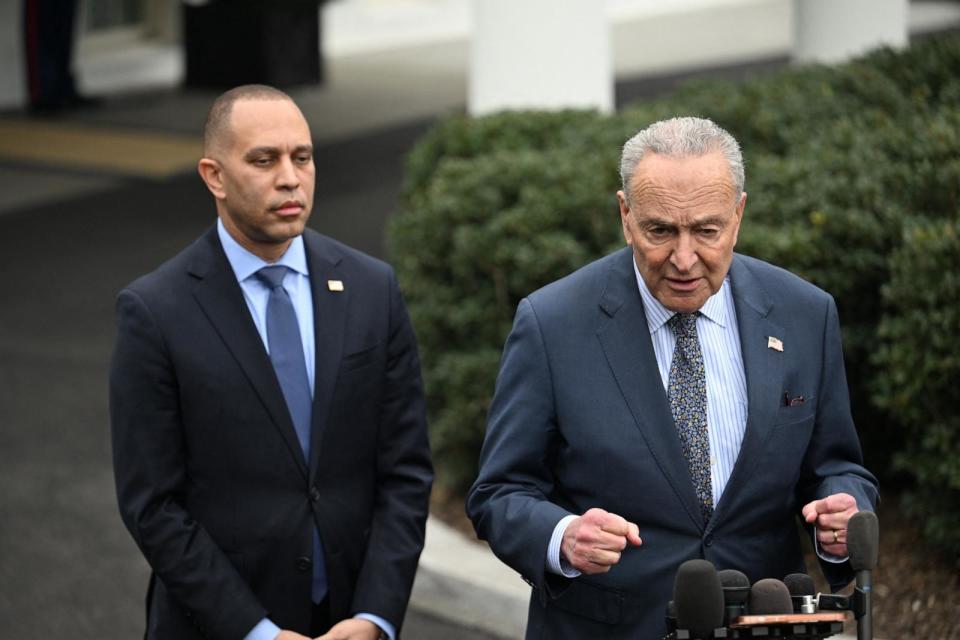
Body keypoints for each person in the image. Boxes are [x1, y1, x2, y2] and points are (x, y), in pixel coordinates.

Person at [466, 116, 879, 639]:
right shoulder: (552, 324)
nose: (684, 259)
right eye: (660, 230)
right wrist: (563, 535)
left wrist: (843, 513)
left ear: (738, 215)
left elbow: (837, 467)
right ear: (625, 215)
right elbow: (499, 491)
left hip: (760, 621)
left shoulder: (804, 314)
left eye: (706, 230)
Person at [110, 84, 432, 640]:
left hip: (348, 623)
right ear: (213, 175)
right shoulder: (155, 311)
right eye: (264, 160)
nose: (290, 178)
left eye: (302, 157)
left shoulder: (370, 288)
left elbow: (405, 470)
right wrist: (256, 631)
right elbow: (153, 505)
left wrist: (374, 617)